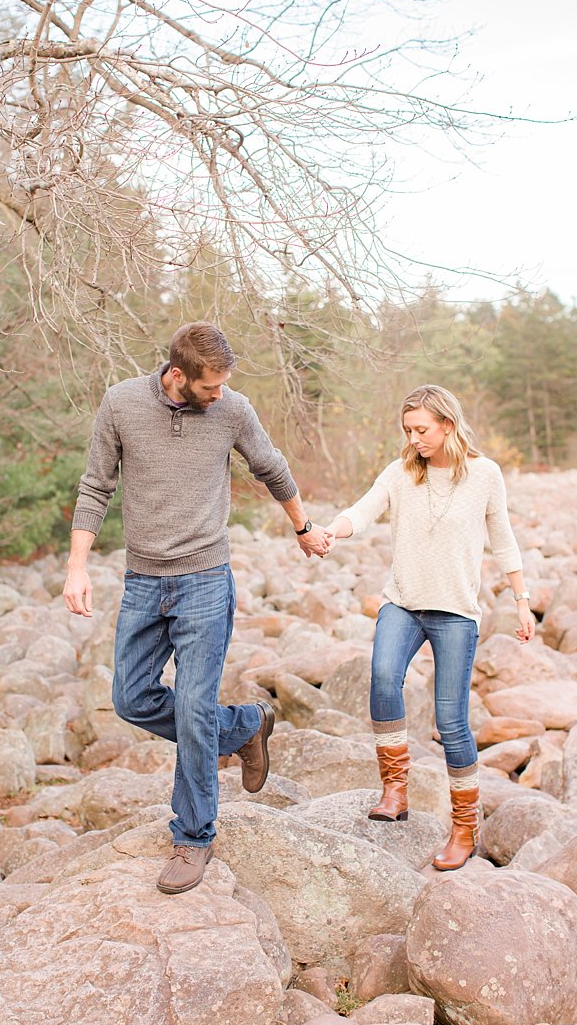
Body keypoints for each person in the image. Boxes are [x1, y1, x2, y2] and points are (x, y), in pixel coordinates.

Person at [62, 321, 333, 895]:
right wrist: (77, 567)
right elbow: (94, 487)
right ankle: (244, 725)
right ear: (178, 375)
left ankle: (193, 837)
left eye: (224, 385)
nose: (220, 394)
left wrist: (303, 527)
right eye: (210, 386)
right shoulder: (121, 404)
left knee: (190, 705)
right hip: (143, 580)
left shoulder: (231, 409)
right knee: (130, 699)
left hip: (206, 579)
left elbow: (271, 466)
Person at [322, 384, 533, 871]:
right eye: (408, 431)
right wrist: (334, 529)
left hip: (456, 611)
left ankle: (465, 828)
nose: (414, 438)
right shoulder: (401, 473)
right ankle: (395, 790)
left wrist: (521, 601)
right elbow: (363, 508)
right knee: (381, 678)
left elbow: (503, 539)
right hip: (403, 603)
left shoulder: (484, 474)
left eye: (422, 429)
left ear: (448, 424)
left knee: (451, 722)